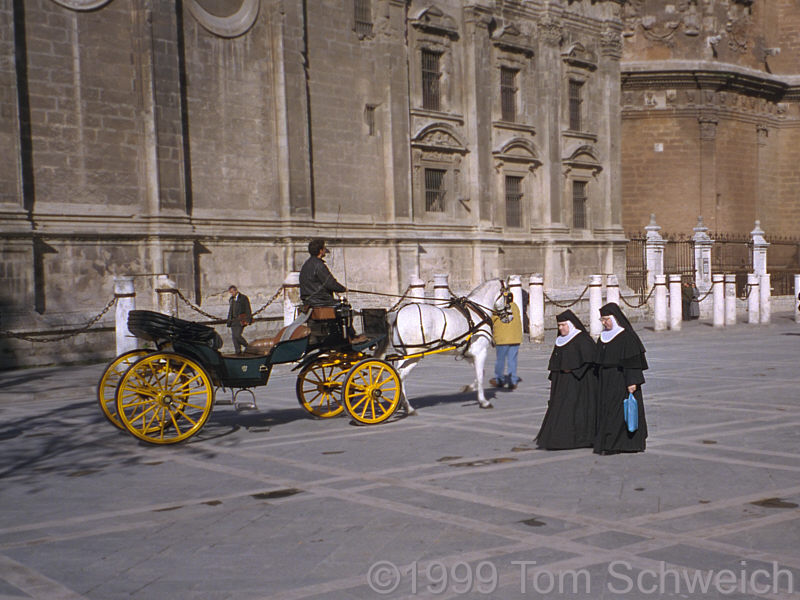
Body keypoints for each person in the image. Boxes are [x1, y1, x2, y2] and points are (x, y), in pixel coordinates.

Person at [535, 310, 598, 449]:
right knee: (562, 410)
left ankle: (579, 439)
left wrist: (575, 370)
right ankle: (561, 439)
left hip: (579, 383)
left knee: (576, 411)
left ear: (570, 324)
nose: (561, 328)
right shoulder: (560, 340)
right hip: (562, 383)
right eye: (559, 326)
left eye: (563, 325)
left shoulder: (582, 339)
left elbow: (590, 360)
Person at [594, 302, 648, 455]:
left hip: (621, 379)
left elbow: (632, 361)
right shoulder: (603, 337)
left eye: (606, 319)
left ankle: (619, 444)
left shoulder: (626, 336)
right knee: (607, 411)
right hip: (606, 380)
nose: (604, 323)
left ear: (614, 318)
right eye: (602, 320)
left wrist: (632, 381)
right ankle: (607, 441)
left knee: (619, 412)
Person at [299, 239, 346, 307]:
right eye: (324, 249)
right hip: (320, 301)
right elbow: (330, 283)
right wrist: (343, 289)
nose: (325, 251)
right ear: (320, 251)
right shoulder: (319, 265)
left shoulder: (306, 264)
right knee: (344, 307)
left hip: (309, 300)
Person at [489, 296, 522, 390]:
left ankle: (499, 379)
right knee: (512, 360)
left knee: (500, 360)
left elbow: (491, 320)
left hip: (502, 338)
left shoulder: (498, 308)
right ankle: (513, 380)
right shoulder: (515, 306)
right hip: (515, 337)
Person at [226, 285, 252, 354]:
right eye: (230, 292)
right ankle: (238, 351)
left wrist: (248, 320)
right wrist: (229, 320)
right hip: (233, 321)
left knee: (237, 335)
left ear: (236, 290)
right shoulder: (231, 299)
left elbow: (248, 309)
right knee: (234, 337)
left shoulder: (243, 298)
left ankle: (248, 346)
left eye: (232, 292)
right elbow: (230, 310)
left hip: (240, 320)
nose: (231, 294)